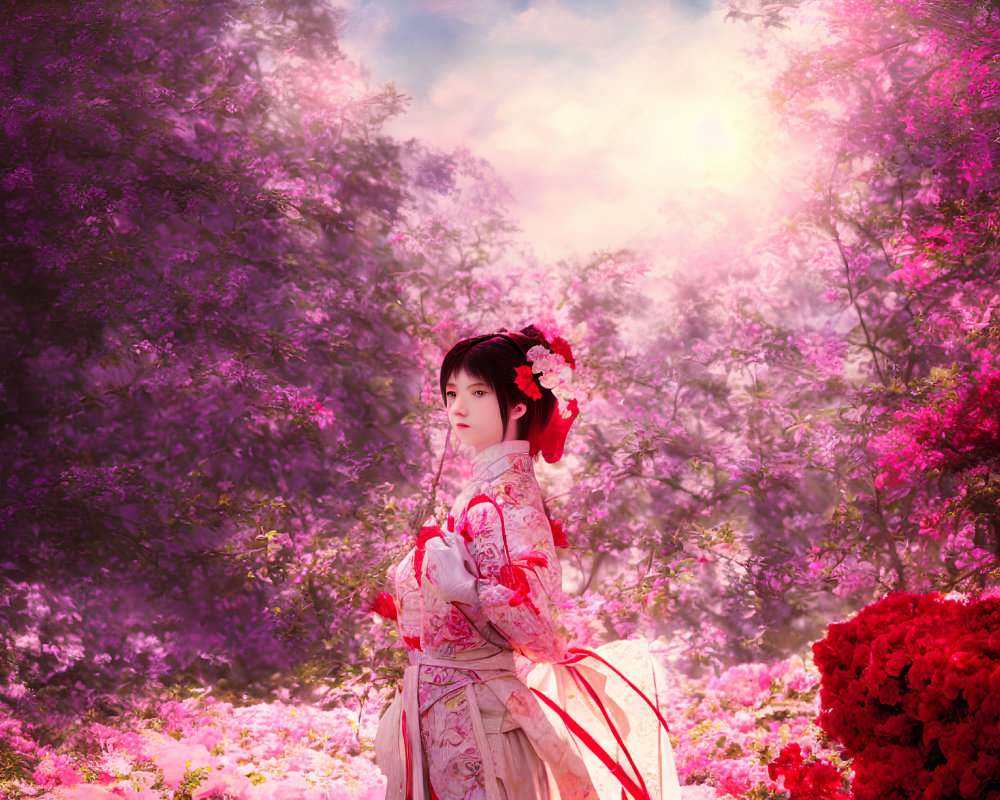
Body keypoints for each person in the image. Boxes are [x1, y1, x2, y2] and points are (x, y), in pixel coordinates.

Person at [374, 326, 679, 800]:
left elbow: (536, 626)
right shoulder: (478, 494)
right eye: (451, 392)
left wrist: (469, 591)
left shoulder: (512, 502)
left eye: (477, 392)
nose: (457, 407)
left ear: (518, 405)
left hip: (482, 725)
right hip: (444, 711)